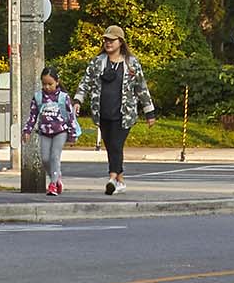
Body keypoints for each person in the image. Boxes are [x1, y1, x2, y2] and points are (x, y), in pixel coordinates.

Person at [78, 27, 153, 194]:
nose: (108, 43)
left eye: (112, 40)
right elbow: (85, 82)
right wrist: (78, 100)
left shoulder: (131, 63)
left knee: (116, 145)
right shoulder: (98, 62)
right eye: (106, 40)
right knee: (111, 147)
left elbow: (141, 87)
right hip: (103, 112)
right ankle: (120, 181)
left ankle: (112, 178)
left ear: (120, 42)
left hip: (124, 114)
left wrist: (149, 112)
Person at [28, 64, 79, 194]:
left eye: (50, 84)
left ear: (57, 82)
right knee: (45, 159)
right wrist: (27, 130)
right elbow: (33, 115)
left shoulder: (63, 97)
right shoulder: (38, 97)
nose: (47, 87)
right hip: (44, 131)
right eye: (44, 84)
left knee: (55, 156)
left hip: (60, 131)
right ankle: (56, 178)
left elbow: (70, 116)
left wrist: (72, 134)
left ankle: (53, 184)